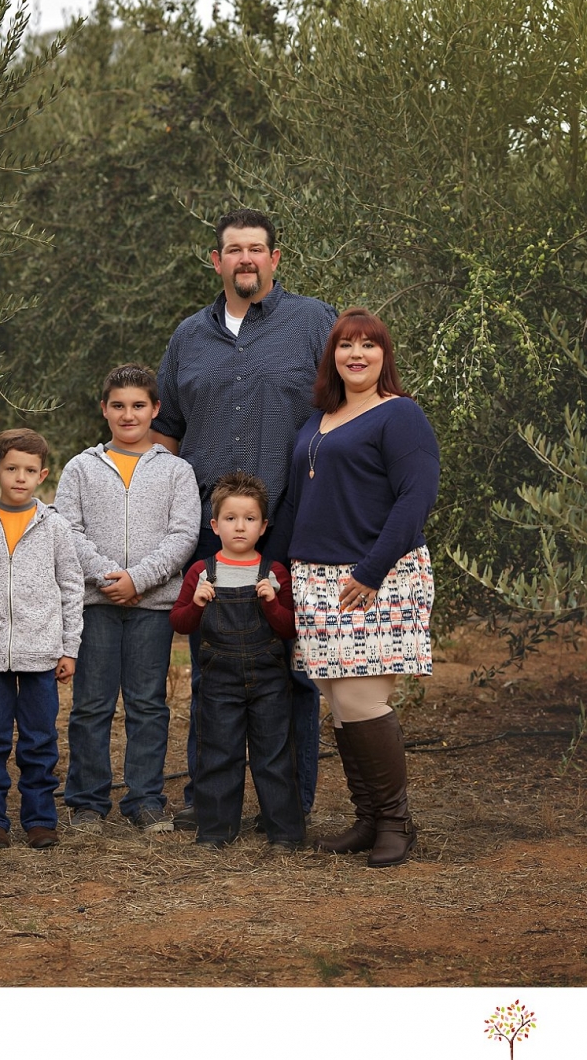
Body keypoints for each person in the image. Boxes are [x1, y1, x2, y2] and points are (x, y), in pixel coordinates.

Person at [151, 208, 337, 828]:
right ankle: (211, 802)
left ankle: (291, 806)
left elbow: (346, 411)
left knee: (295, 667)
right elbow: (167, 432)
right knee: (214, 662)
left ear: (275, 259)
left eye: (257, 248)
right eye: (234, 250)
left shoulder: (314, 323)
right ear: (217, 261)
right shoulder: (188, 337)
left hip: (293, 522)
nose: (246, 259)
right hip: (214, 531)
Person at [271, 307, 439, 868]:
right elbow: (296, 504)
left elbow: (415, 500)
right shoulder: (319, 420)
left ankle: (397, 823)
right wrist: (276, 568)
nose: (357, 354)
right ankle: (369, 819)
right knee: (339, 702)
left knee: (364, 698)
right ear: (333, 357)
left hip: (377, 575)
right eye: (347, 345)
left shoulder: (401, 415)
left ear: (384, 356)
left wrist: (369, 572)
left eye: (369, 345)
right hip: (316, 577)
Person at [54, 363, 200, 832]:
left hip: (153, 607)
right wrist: (106, 576)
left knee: (147, 704)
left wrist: (139, 579)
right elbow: (67, 531)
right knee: (91, 705)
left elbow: (184, 536)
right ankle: (87, 804)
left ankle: (145, 800)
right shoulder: (80, 468)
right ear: (104, 409)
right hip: (96, 606)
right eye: (118, 405)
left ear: (155, 410)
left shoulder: (177, 471)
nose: (128, 414)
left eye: (139, 405)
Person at [0, 428, 85, 850]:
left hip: (42, 655)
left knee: (40, 739)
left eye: (29, 470)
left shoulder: (54, 526)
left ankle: (40, 819)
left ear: (43, 475)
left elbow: (73, 587)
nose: (19, 478)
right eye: (11, 469)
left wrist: (69, 648)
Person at [169, 472, 305, 849]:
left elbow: (288, 627)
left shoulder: (274, 572)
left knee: (274, 756)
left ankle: (285, 834)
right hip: (219, 679)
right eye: (230, 519)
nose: (239, 526)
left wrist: (272, 603)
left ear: (263, 526)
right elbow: (179, 621)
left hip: (269, 680)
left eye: (249, 519)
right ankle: (215, 831)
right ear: (215, 525)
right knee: (218, 754)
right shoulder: (202, 572)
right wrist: (195, 604)